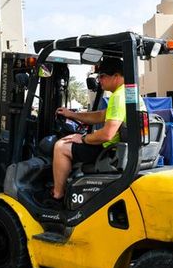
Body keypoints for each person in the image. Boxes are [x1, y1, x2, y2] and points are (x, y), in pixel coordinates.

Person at [47, 57, 132, 206]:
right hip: (119, 148)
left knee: (61, 146)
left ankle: (57, 194)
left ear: (116, 76)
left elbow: (107, 134)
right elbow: (100, 116)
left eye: (102, 76)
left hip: (108, 150)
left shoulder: (118, 97)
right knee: (71, 141)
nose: (100, 80)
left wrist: (84, 138)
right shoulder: (128, 94)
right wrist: (72, 114)